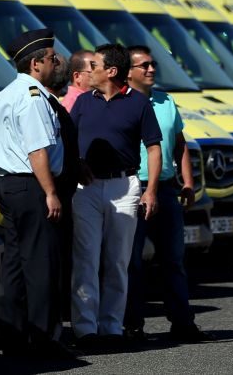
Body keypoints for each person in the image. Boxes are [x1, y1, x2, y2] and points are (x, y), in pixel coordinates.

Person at [69, 44, 163, 348]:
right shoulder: (83, 102)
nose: (89, 70)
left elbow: (154, 147)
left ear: (111, 71)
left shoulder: (139, 104)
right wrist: (76, 165)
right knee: (85, 260)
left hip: (125, 188)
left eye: (94, 65)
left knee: (117, 261)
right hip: (87, 188)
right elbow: (66, 142)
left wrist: (151, 190)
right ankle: (85, 330)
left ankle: (111, 328)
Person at [0, 29, 71, 358]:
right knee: (41, 265)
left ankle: (14, 335)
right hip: (33, 184)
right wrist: (50, 192)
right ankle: (45, 340)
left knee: (15, 265)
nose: (57, 61)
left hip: (9, 185)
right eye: (52, 58)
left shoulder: (8, 93)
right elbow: (37, 150)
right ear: (36, 64)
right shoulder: (33, 97)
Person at [123, 45, 213, 343]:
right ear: (128, 72)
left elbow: (179, 143)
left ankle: (182, 322)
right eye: (143, 65)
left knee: (173, 259)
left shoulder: (166, 101)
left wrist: (188, 182)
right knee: (132, 261)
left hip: (165, 188)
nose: (151, 70)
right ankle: (133, 325)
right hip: (134, 188)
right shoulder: (123, 103)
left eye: (153, 65)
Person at [43, 55, 81, 323]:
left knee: (60, 260)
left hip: (63, 190)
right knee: (49, 263)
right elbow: (38, 152)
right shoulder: (40, 103)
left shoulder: (54, 105)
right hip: (49, 192)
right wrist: (51, 192)